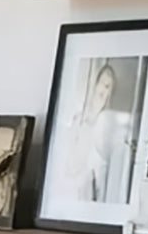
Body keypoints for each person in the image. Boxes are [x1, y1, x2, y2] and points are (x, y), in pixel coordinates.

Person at [56, 61, 136, 205]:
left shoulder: (107, 124)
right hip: (69, 192)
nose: (105, 92)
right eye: (104, 85)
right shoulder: (78, 119)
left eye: (110, 88)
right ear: (95, 84)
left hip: (91, 198)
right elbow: (69, 162)